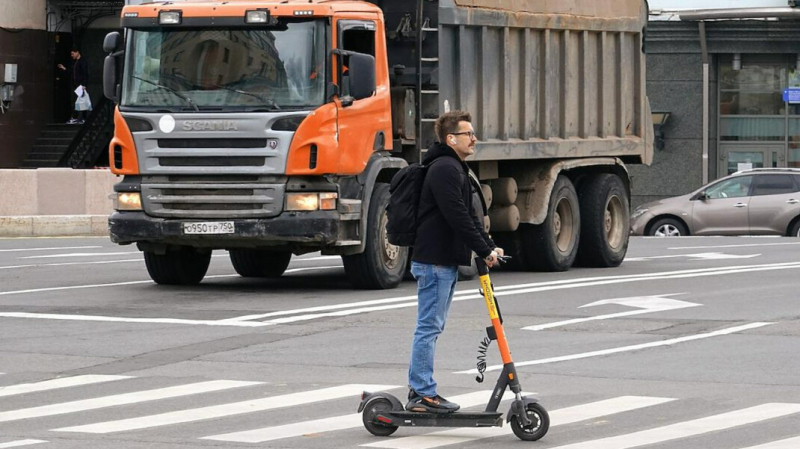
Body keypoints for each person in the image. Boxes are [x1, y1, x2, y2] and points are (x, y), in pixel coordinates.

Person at [406, 110, 503, 413]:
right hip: (434, 261)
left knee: (432, 327)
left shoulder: (453, 167)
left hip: (441, 260)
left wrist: (488, 245)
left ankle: (420, 390)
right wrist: (484, 250)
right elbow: (458, 216)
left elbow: (469, 216)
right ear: (451, 139)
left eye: (473, 133)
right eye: (468, 134)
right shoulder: (445, 169)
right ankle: (422, 393)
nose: (474, 138)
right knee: (428, 328)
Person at [58, 47, 89, 124]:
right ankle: (81, 117)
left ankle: (78, 117)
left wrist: (84, 84)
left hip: (80, 85)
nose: (72, 55)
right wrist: (64, 68)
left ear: (77, 52)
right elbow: (72, 72)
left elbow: (85, 74)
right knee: (79, 101)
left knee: (79, 101)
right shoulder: (76, 62)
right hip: (77, 85)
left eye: (73, 54)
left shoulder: (82, 62)